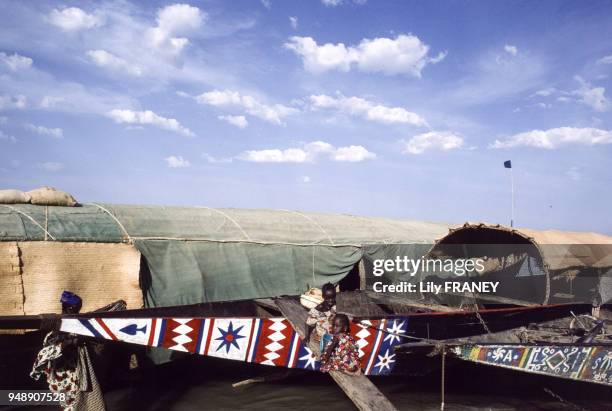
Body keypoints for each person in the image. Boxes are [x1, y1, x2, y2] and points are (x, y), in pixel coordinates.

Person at [31, 291, 106, 411]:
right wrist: (68, 343)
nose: (78, 312)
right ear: (69, 308)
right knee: (68, 406)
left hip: (76, 375)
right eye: (76, 309)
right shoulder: (57, 330)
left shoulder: (77, 327)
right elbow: (44, 355)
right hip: (61, 377)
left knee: (80, 405)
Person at [305, 283, 336, 348]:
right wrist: (307, 337)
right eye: (328, 299)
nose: (331, 301)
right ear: (323, 297)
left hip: (333, 336)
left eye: (333, 298)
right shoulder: (317, 310)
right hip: (321, 338)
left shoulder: (334, 306)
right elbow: (308, 324)